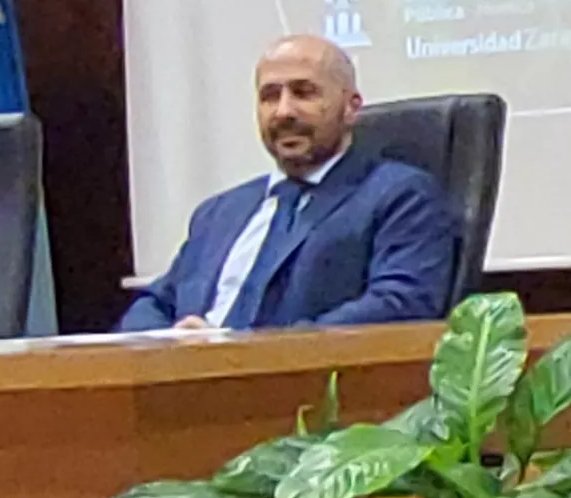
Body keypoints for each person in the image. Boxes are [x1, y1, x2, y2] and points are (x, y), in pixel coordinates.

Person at [120, 35, 458, 332]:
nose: (283, 111)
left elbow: (400, 304)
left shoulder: (398, 195)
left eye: (303, 93)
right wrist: (172, 344)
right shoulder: (219, 212)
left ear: (351, 108)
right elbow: (153, 305)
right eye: (269, 96)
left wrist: (243, 350)